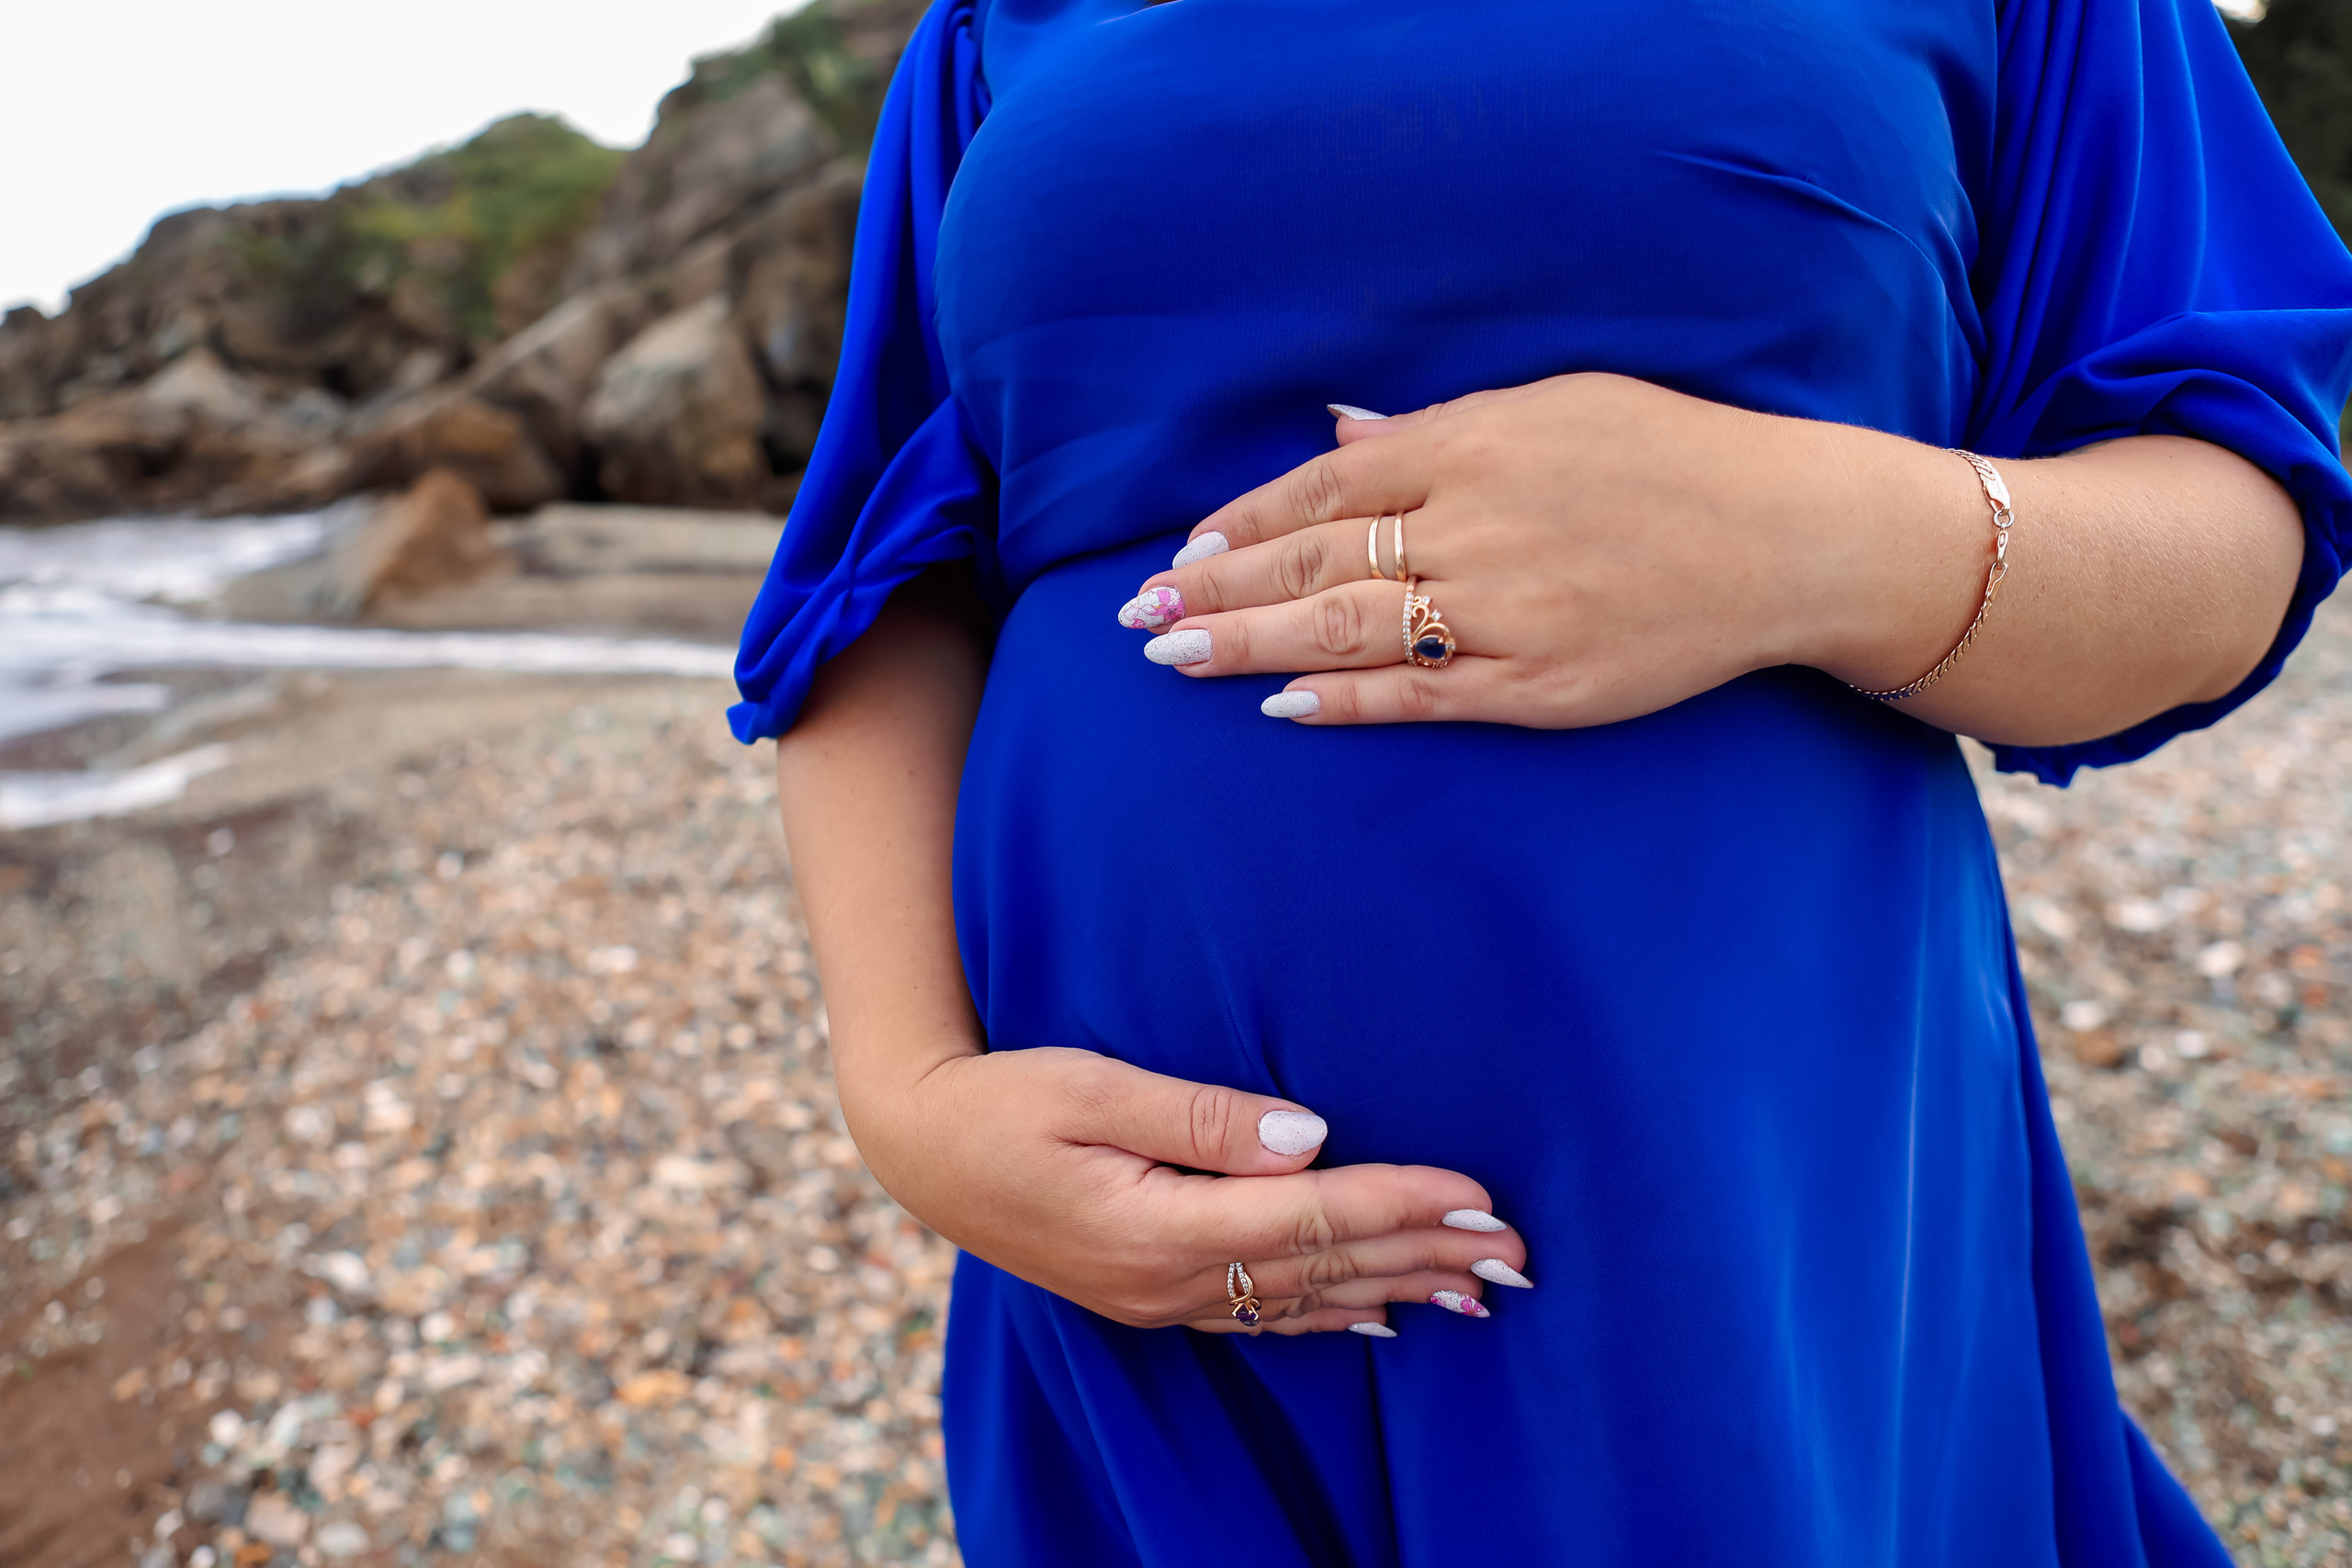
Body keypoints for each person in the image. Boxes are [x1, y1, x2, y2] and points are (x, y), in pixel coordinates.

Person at [730, 0, 2352, 1560]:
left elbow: (2232, 532)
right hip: (1139, 1245)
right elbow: (880, 582)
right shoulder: (993, 26)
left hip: (1725, 1162)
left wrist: (1817, 534)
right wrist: (911, 1098)